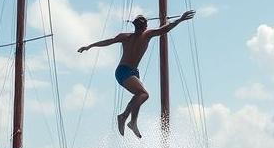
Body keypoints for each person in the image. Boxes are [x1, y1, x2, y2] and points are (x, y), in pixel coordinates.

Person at [78, 10, 195, 138]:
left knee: (138, 96)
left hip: (130, 71)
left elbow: (109, 41)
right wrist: (180, 20)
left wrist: (90, 46)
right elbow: (165, 29)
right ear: (145, 26)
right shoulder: (145, 35)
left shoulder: (128, 36)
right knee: (143, 94)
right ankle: (124, 117)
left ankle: (132, 122)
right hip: (124, 71)